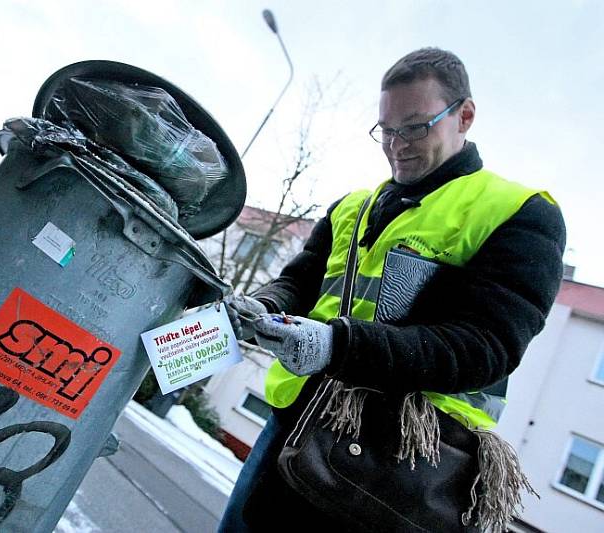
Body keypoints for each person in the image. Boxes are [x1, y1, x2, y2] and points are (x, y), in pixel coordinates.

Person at [218, 47, 565, 532]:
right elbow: (301, 280)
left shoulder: (518, 213)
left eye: (416, 126)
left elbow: (486, 346)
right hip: (292, 426)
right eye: (386, 129)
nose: (396, 144)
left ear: (464, 115)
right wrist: (266, 305)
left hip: (400, 459)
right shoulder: (352, 207)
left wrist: (337, 345)